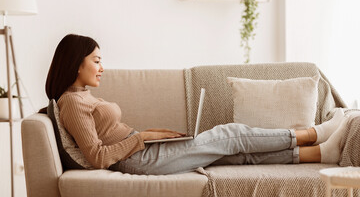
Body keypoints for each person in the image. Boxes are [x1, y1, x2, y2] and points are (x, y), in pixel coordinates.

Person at [41, 34, 349, 175]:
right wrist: (140, 138)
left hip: (143, 151)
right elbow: (96, 157)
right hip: (136, 161)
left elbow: (110, 136)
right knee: (230, 135)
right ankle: (312, 133)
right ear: (76, 63)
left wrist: (147, 134)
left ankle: (320, 152)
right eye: (96, 60)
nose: (102, 67)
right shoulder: (71, 103)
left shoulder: (82, 97)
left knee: (233, 158)